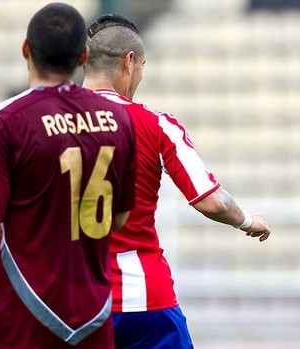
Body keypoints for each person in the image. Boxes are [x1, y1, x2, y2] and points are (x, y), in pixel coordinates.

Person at [0, 3, 137, 348]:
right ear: (83, 57)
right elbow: (119, 218)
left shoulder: (5, 121)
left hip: (23, 314)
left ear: (26, 49)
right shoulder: (118, 120)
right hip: (94, 317)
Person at [82, 14, 271, 348]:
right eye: (142, 66)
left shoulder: (47, 124)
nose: (140, 75)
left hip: (70, 300)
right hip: (142, 301)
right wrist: (246, 220)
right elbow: (211, 201)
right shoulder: (155, 125)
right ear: (128, 62)